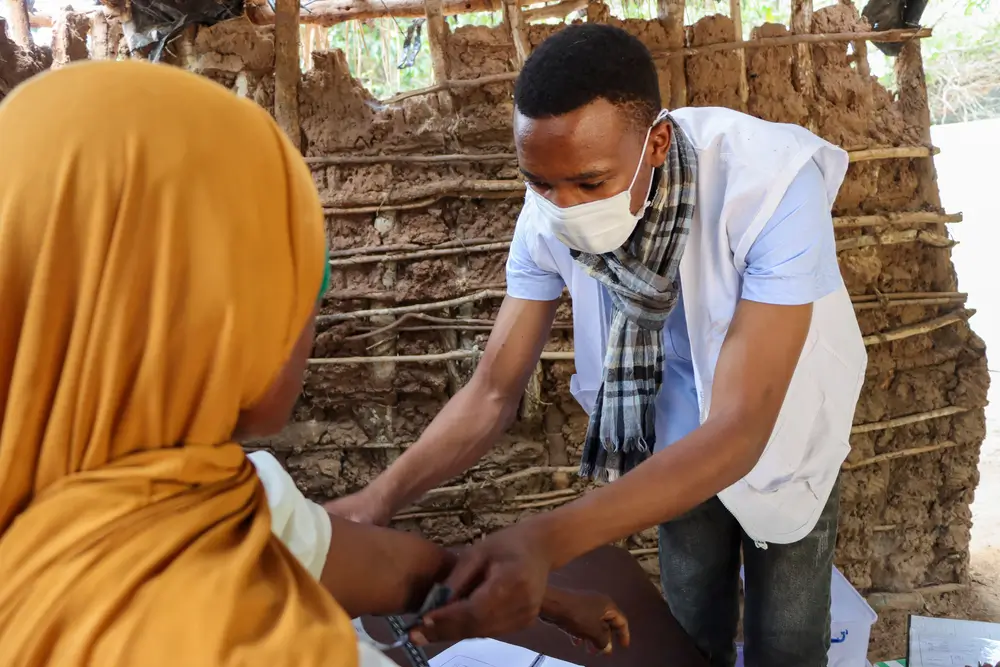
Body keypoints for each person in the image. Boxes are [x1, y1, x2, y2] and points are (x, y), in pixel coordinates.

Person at [0, 60, 627, 667]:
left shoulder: (191, 496)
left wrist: (542, 598)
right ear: (212, 319)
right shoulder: (232, 639)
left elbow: (367, 562)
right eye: (297, 284)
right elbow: (492, 391)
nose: (307, 325)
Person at [329, 23, 867, 667]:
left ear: (656, 143)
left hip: (779, 432)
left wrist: (544, 541)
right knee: (689, 632)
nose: (565, 208)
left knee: (788, 638)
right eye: (540, 183)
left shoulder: (769, 185)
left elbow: (741, 427)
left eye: (589, 183)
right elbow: (494, 391)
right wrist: (379, 498)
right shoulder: (546, 216)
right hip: (669, 440)